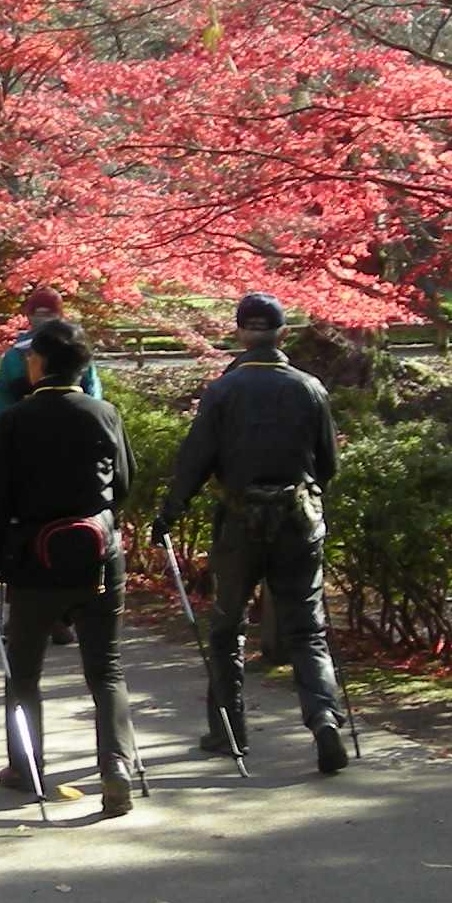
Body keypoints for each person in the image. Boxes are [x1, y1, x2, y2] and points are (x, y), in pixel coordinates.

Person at [150, 290, 350, 774]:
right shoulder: (310, 388)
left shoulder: (223, 391)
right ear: (283, 334)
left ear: (240, 333)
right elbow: (328, 464)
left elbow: (195, 460)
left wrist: (170, 513)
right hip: (297, 520)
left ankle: (227, 729)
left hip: (239, 521)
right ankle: (323, 717)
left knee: (226, 627)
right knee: (306, 630)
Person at [0, 320, 138, 814]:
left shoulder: (17, 420)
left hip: (34, 560)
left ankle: (25, 765)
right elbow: (124, 482)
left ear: (41, 362)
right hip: (99, 555)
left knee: (23, 669)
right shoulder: (104, 413)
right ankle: (117, 765)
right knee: (105, 669)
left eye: (30, 356)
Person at [0, 284, 104, 418]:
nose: (43, 319)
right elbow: (93, 395)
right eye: (39, 314)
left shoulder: (14, 356)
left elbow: (3, 406)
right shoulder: (76, 350)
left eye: (47, 314)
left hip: (25, 426)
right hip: (75, 423)